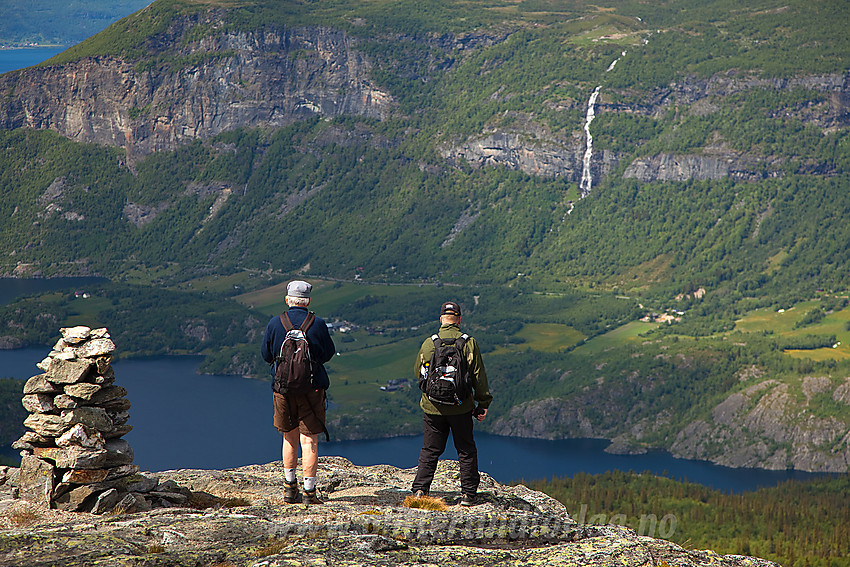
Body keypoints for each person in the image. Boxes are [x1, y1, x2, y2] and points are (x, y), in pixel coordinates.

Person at [261, 280, 335, 505]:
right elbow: (328, 353)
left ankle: (288, 488)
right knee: (309, 441)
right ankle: (309, 493)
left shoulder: (275, 323)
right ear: (308, 301)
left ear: (287, 300)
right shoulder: (317, 324)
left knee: (289, 438)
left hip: (283, 390)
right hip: (312, 389)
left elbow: (266, 355)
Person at [411, 301, 492, 506]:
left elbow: (418, 372)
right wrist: (483, 403)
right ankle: (468, 494)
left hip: (432, 407)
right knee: (465, 449)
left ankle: (420, 490)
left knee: (430, 450)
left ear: (441, 320)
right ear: (459, 320)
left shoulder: (430, 343)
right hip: (461, 408)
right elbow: (478, 376)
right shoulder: (468, 343)